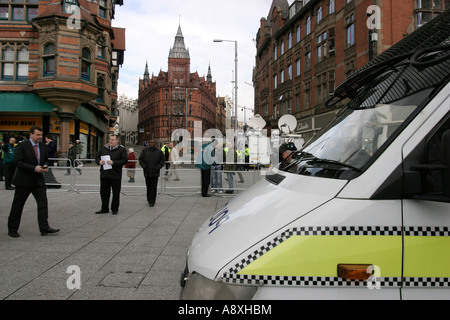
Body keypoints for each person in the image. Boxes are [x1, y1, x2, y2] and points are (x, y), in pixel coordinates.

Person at [7, 126, 60, 238]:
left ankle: (44, 228)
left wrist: (45, 165)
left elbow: (45, 159)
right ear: (31, 134)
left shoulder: (42, 145)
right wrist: (33, 168)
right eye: (37, 135)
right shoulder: (22, 145)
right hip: (24, 180)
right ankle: (12, 229)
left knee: (43, 204)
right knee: (18, 205)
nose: (40, 137)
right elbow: (18, 162)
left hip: (38, 180)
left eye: (41, 135)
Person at [95, 135, 128, 215]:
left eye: (113, 140)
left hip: (115, 175)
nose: (110, 141)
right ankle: (104, 208)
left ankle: (114, 209)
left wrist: (114, 162)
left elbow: (124, 160)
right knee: (103, 192)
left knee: (116, 193)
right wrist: (99, 161)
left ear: (117, 141)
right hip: (104, 175)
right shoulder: (104, 148)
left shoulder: (122, 150)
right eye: (110, 139)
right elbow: (97, 157)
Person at [139, 139, 165, 207]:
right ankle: (148, 199)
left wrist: (157, 168)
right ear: (149, 143)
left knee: (153, 187)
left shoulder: (159, 152)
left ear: (155, 143)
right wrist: (144, 167)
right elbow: (141, 159)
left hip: (155, 172)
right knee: (148, 186)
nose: (152, 143)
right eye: (151, 142)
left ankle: (152, 201)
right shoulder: (145, 151)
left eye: (154, 142)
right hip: (147, 172)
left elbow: (162, 161)